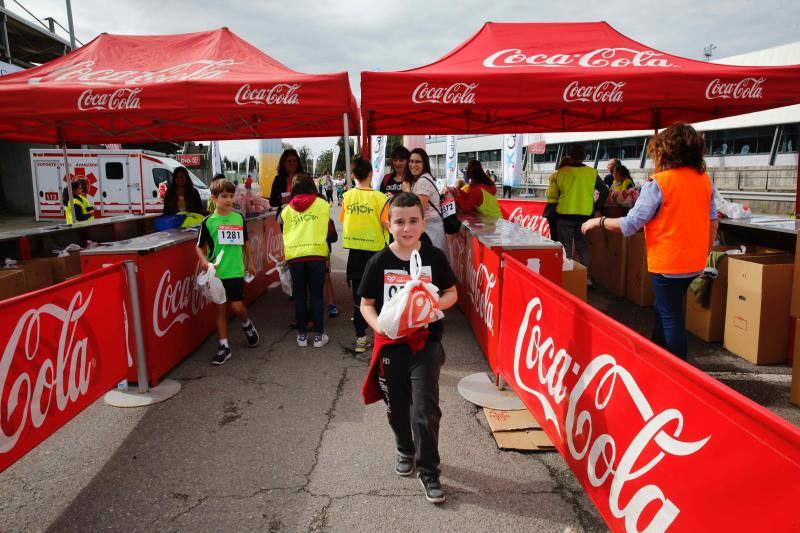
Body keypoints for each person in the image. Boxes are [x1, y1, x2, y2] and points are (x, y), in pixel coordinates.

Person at [581, 123, 718, 360]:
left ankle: (679, 373)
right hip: (693, 261)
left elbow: (630, 224)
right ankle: (656, 354)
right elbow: (713, 221)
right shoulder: (704, 180)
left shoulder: (659, 183)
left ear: (664, 150)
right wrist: (704, 250)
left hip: (667, 263)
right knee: (665, 309)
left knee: (671, 317)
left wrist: (598, 222)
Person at [359, 192, 458, 504]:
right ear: (389, 224)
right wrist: (380, 327)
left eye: (413, 220)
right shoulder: (378, 262)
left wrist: (433, 307)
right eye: (399, 221)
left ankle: (429, 471)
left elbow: (452, 293)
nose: (406, 228)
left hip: (426, 343)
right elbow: (366, 305)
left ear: (423, 221)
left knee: (425, 408)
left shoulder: (434, 258)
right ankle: (405, 447)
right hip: (391, 345)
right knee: (397, 407)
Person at [196, 179, 260, 365]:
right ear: (214, 198)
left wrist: (250, 262)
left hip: (235, 271)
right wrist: (204, 262)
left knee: (237, 307)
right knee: (220, 310)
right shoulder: (208, 222)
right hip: (216, 274)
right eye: (224, 196)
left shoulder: (238, 218)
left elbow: (245, 242)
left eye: (231, 196)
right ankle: (224, 346)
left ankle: (246, 324)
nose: (228, 200)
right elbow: (199, 247)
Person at [341, 158, 390, 353]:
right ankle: (382, 335)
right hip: (377, 252)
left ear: (353, 175)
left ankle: (361, 337)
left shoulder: (346, 197)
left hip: (355, 252)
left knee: (358, 295)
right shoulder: (380, 198)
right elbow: (387, 223)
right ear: (371, 174)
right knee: (379, 295)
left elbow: (343, 219)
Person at [281, 174, 333, 348]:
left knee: (300, 296)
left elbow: (284, 232)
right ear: (312, 186)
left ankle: (302, 336)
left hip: (295, 257)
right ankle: (319, 336)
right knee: (317, 296)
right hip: (316, 254)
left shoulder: (286, 210)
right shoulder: (323, 205)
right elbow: (329, 231)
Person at [546, 145, 608, 277]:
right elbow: (604, 190)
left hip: (564, 214)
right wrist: (597, 208)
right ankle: (586, 278)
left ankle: (567, 277)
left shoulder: (561, 173)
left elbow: (554, 195)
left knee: (565, 247)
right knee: (582, 247)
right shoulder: (592, 173)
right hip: (585, 215)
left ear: (570, 155)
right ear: (584, 157)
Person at [409, 148, 446, 251]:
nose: (413, 165)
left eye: (417, 162)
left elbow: (419, 210)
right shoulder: (422, 178)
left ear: (424, 163)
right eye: (411, 161)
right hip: (431, 229)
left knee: (432, 262)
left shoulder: (423, 181)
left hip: (430, 231)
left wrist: (407, 191)